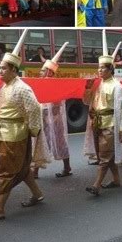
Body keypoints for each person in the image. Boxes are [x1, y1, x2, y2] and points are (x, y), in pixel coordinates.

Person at [0, 30, 44, 223]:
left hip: (15, 135)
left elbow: (34, 109)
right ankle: (38, 194)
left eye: (3, 69)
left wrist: (32, 130)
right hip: (4, 133)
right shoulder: (4, 87)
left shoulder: (22, 88)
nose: (0, 72)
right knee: (22, 169)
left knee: (6, 172)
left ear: (14, 70)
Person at [83, 34, 122, 196]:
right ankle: (116, 180)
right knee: (105, 154)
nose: (99, 70)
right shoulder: (98, 85)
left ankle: (96, 185)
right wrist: (88, 88)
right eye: (99, 68)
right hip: (98, 123)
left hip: (111, 124)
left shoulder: (117, 87)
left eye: (103, 68)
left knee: (104, 156)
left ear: (110, 69)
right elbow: (87, 102)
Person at [33, 43, 72, 178]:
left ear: (49, 72)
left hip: (54, 120)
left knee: (60, 143)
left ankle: (67, 167)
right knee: (40, 144)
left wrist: (47, 116)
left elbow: (56, 107)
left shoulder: (56, 85)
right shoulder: (40, 83)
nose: (40, 72)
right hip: (43, 118)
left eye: (43, 71)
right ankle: (35, 170)